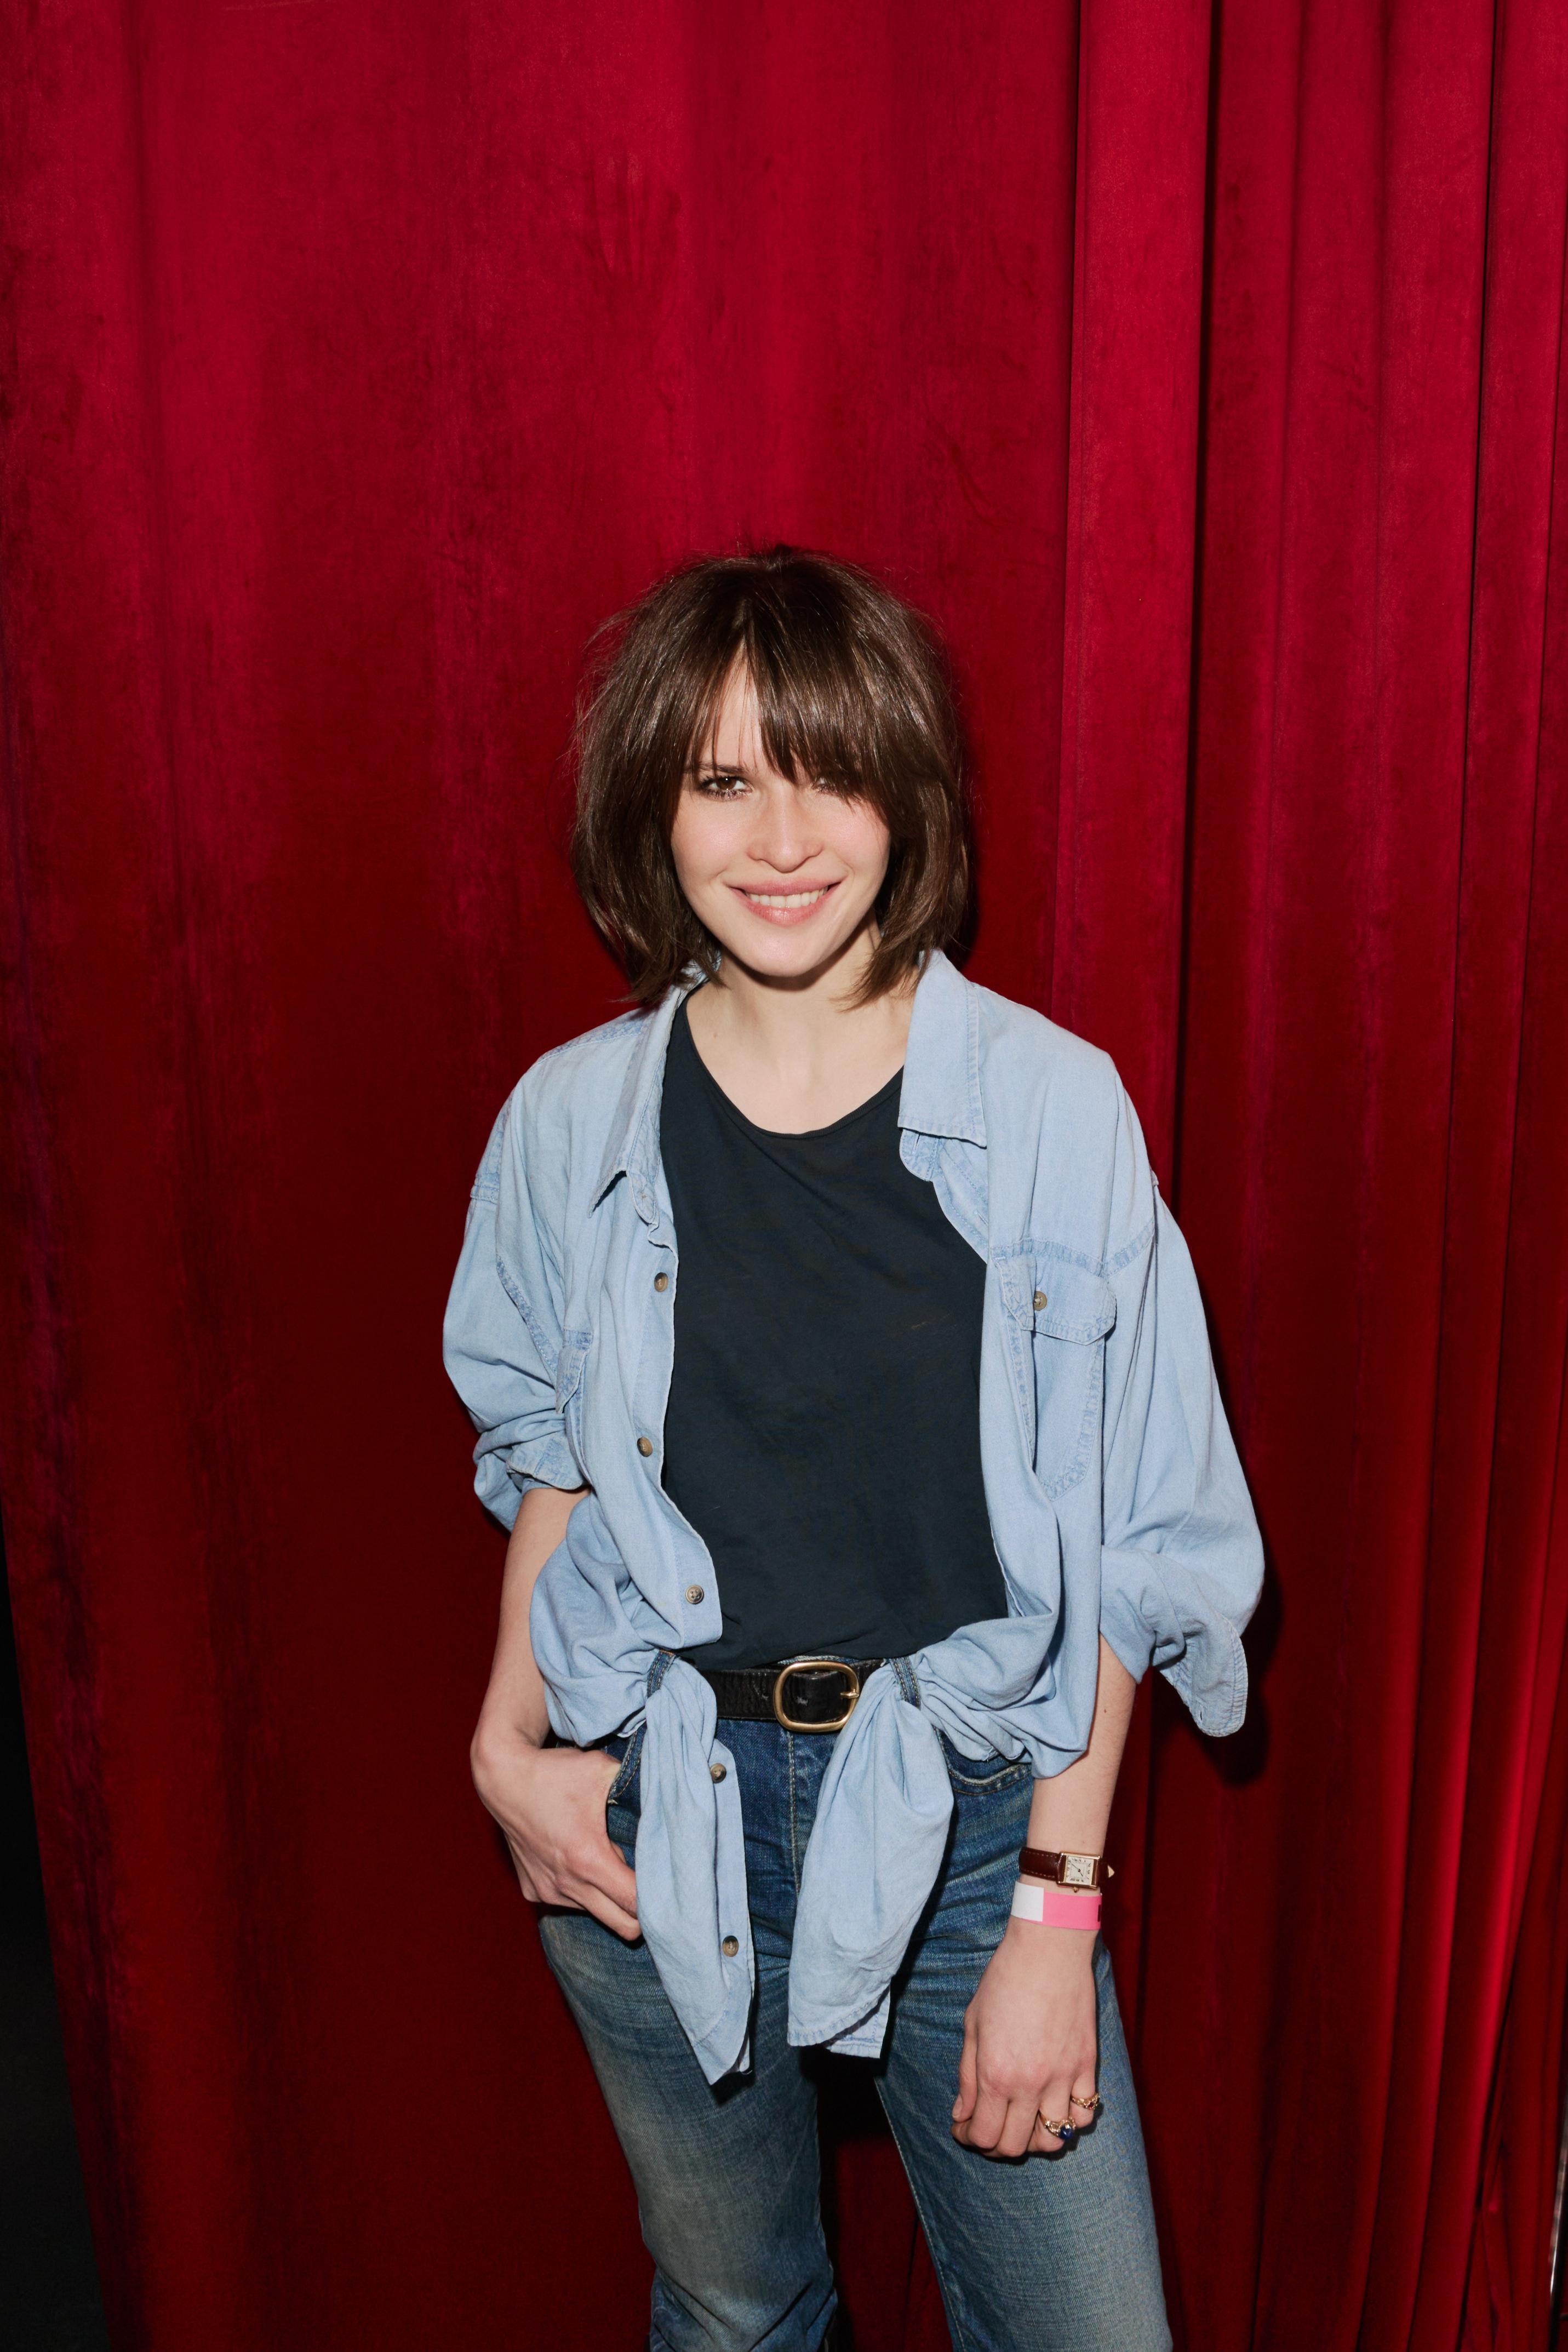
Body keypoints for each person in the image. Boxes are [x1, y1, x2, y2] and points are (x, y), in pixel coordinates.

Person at [442, 546, 1263, 2352]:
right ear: (653, 808)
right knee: (736, 2314)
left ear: (906, 792)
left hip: (975, 1825)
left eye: (828, 771)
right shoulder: (570, 1119)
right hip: (659, 1804)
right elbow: (554, 1460)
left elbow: (1128, 1542)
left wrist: (1056, 1912)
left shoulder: (1052, 1108)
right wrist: (510, 1748)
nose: (783, 838)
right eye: (724, 779)